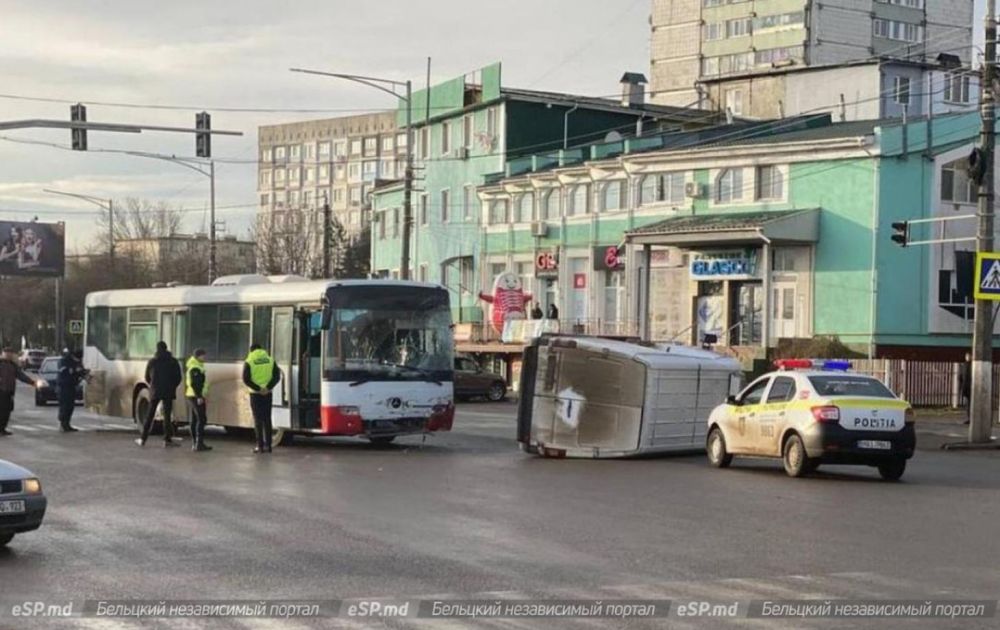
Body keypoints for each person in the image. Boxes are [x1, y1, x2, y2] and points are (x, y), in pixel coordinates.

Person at [137, 341, 183, 448]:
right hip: (168, 391)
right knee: (167, 416)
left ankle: (143, 439)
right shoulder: (173, 361)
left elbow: (147, 377)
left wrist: (153, 386)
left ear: (157, 349)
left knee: (150, 415)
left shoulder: (152, 361)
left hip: (155, 391)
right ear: (166, 348)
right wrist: (172, 386)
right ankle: (167, 439)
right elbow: (178, 378)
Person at [242, 343, 281, 454]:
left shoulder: (249, 361)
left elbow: (246, 379)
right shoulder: (270, 359)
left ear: (251, 350)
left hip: (255, 394)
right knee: (267, 419)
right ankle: (269, 446)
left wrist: (258, 388)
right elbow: (277, 376)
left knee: (258, 420)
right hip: (268, 393)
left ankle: (260, 446)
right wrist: (268, 388)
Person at [0, 347, 42, 436]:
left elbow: (21, 376)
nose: (8, 355)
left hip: (9, 391)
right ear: (3, 354)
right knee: (2, 410)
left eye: (10, 353)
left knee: (7, 410)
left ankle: (2, 428)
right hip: (1, 391)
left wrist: (33, 383)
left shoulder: (13, 365)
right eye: (7, 353)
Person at [185, 348, 212, 452]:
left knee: (195, 419)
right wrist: (199, 396)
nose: (204, 358)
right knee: (201, 419)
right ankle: (198, 443)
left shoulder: (197, 366)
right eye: (203, 356)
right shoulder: (195, 367)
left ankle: (196, 442)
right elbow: (194, 384)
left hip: (193, 395)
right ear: (198, 356)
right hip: (195, 396)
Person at [56, 348, 87, 432]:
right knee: (64, 405)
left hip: (71, 386)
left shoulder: (77, 362)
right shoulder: (65, 361)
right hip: (64, 386)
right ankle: (63, 423)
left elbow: (80, 371)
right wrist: (74, 371)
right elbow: (64, 371)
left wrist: (84, 373)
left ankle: (67, 424)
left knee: (70, 406)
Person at [960, 352, 971, 425]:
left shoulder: (964, 365)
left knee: (968, 404)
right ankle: (969, 418)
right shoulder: (965, 365)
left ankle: (969, 418)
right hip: (967, 387)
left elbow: (961, 377)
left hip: (967, 387)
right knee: (968, 404)